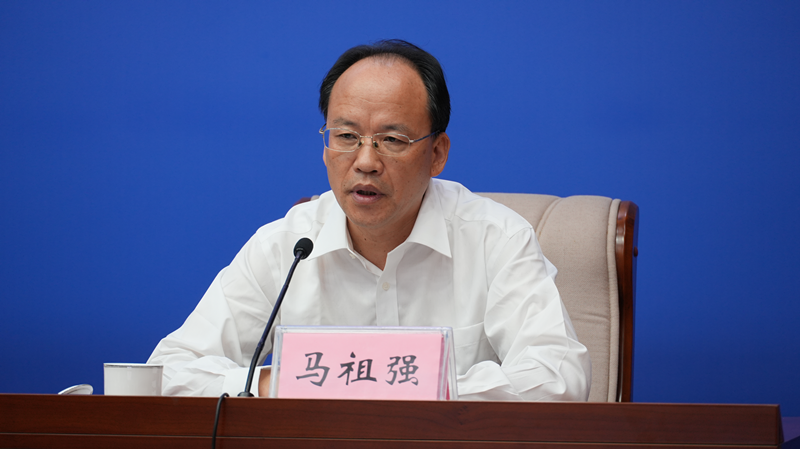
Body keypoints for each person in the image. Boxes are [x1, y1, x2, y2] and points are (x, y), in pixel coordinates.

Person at [148, 39, 591, 401]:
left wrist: (412, 387)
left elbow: (559, 377)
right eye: (346, 136)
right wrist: (272, 384)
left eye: (392, 140)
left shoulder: (497, 239)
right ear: (325, 145)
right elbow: (168, 371)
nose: (365, 162)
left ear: (437, 153)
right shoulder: (287, 246)